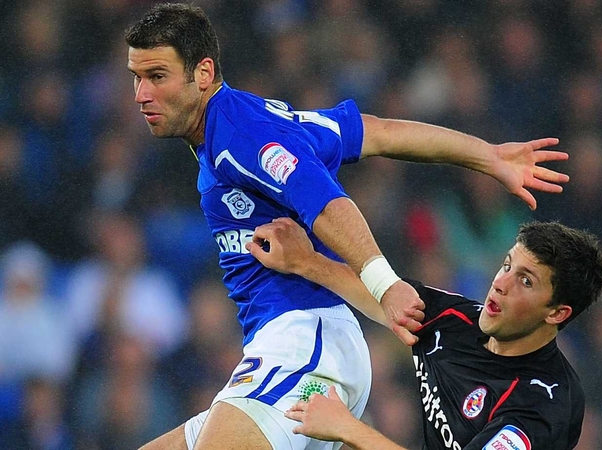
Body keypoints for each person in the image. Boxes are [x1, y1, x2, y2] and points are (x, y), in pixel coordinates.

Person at [125, 3, 569, 450]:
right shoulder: (261, 121)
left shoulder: (241, 136)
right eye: (136, 77)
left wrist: (384, 284)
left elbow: (327, 204)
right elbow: (379, 133)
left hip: (305, 342)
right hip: (294, 346)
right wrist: (487, 155)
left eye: (157, 76)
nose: (142, 94)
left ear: (203, 73)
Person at [247, 218, 602, 450]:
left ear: (556, 313)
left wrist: (347, 429)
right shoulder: (456, 319)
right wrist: (304, 261)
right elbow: (383, 297)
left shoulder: (543, 406)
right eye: (507, 266)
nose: (500, 284)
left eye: (525, 281)